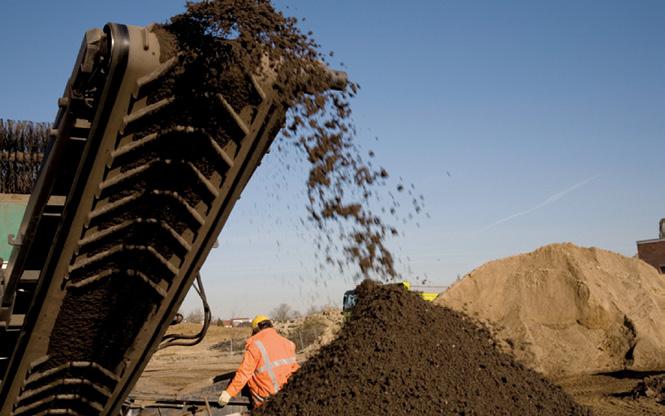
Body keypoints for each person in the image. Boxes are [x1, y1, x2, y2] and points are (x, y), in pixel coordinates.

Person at [218, 315, 300, 407]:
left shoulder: (255, 346)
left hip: (267, 400)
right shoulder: (288, 343)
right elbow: (296, 369)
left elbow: (244, 373)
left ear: (256, 329)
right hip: (287, 395)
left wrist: (229, 393)